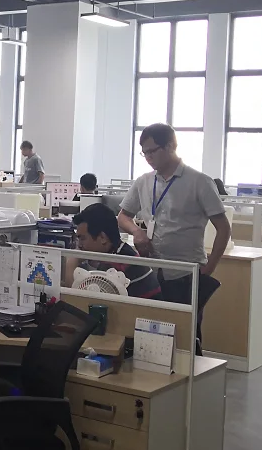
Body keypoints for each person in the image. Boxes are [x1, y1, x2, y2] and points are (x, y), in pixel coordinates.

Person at [117, 123, 232, 351]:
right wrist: (137, 231)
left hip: (185, 274)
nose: (148, 158)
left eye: (152, 151)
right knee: (151, 337)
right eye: (144, 153)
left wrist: (209, 269)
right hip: (151, 272)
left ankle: (192, 373)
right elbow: (123, 216)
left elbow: (224, 229)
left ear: (170, 146)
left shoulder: (199, 182)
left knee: (186, 337)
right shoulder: (144, 181)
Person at [65, 202, 161, 299]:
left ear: (102, 238)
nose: (79, 245)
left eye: (82, 238)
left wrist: (72, 262)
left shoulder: (117, 266)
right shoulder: (122, 252)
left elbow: (78, 300)